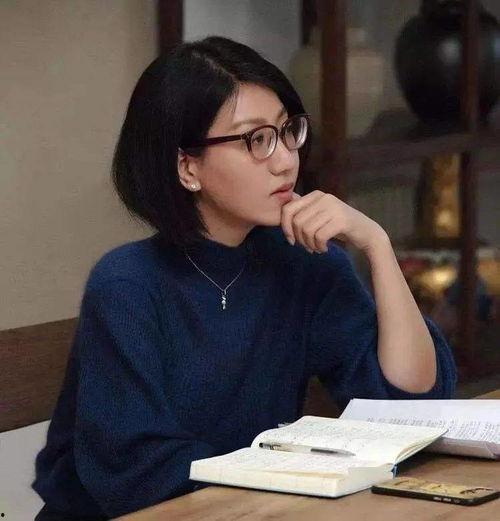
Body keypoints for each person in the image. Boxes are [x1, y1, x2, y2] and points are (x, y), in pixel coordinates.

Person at [32, 36, 456, 520]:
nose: (286, 159)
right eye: (256, 140)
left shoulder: (305, 264)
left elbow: (409, 405)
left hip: (256, 508)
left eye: (287, 130)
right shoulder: (127, 285)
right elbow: (136, 471)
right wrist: (288, 471)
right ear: (187, 167)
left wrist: (377, 244)